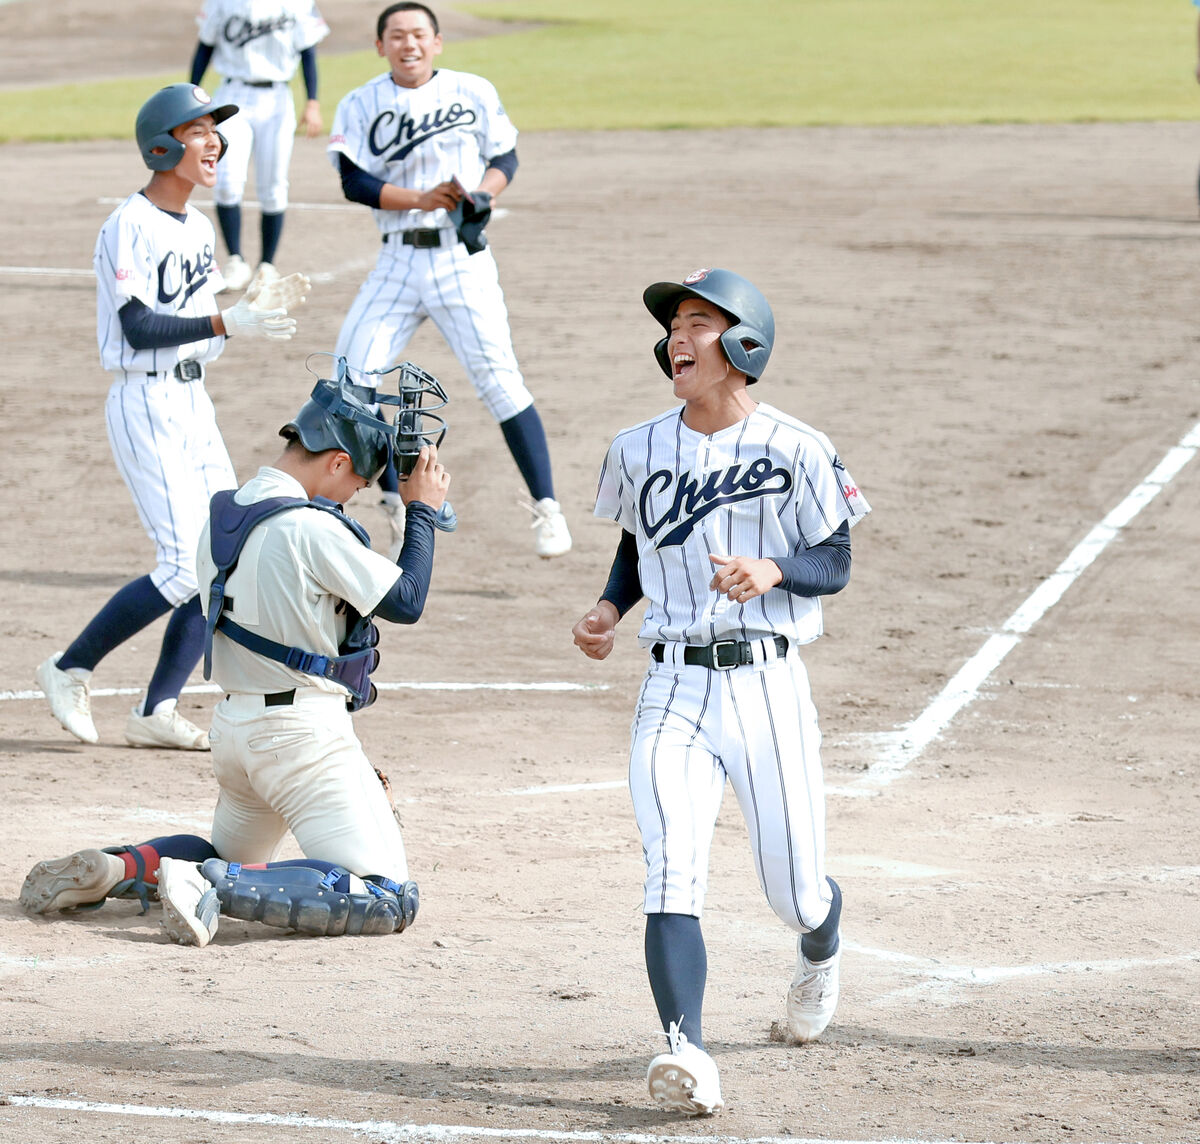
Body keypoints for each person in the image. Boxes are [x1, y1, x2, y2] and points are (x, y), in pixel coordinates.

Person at [571, 269, 871, 1115]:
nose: (679, 335)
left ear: (745, 345)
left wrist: (776, 568)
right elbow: (639, 547)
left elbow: (836, 561)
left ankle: (820, 945)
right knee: (671, 871)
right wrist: (606, 607)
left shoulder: (799, 448)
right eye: (674, 322)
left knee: (795, 890)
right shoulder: (636, 447)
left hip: (768, 687)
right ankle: (686, 1049)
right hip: (671, 686)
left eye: (699, 321)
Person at [21, 363, 451, 947]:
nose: (354, 497)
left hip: (238, 733)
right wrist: (422, 510)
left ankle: (120, 867)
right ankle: (210, 888)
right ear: (337, 462)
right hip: (301, 740)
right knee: (386, 896)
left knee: (231, 850)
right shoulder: (308, 529)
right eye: (357, 483)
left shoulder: (221, 519)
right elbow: (407, 600)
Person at [34, 83, 308, 752]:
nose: (213, 140)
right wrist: (223, 316)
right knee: (180, 565)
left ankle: (155, 710)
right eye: (198, 130)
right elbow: (137, 324)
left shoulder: (201, 228)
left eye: (216, 129)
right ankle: (69, 668)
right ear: (162, 145)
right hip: (144, 402)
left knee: (219, 556)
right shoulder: (131, 222)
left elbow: (200, 334)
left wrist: (243, 317)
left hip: (193, 400)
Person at [327, 1, 571, 559]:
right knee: (352, 380)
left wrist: (485, 192)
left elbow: (505, 155)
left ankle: (548, 510)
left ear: (436, 42)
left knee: (498, 378)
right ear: (380, 45)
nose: (408, 43)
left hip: (461, 262)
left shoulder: (473, 90)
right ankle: (392, 499)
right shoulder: (361, 102)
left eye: (418, 34)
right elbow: (351, 180)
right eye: (396, 35)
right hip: (396, 260)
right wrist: (419, 198)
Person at [190, 0, 329, 292]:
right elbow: (205, 46)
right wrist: (192, 95)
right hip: (233, 94)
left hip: (278, 98)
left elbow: (308, 52)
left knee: (274, 184)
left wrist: (313, 102)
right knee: (227, 180)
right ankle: (235, 260)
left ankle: (267, 265)